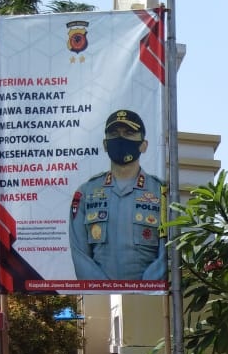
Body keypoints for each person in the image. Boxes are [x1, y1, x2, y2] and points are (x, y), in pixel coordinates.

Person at [69, 109, 166, 282]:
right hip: (101, 300)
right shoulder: (86, 192)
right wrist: (106, 290)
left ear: (144, 145)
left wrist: (144, 289)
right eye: (114, 133)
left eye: (129, 133)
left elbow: (168, 253)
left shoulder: (162, 192)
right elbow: (80, 254)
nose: (121, 139)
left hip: (151, 299)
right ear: (105, 144)